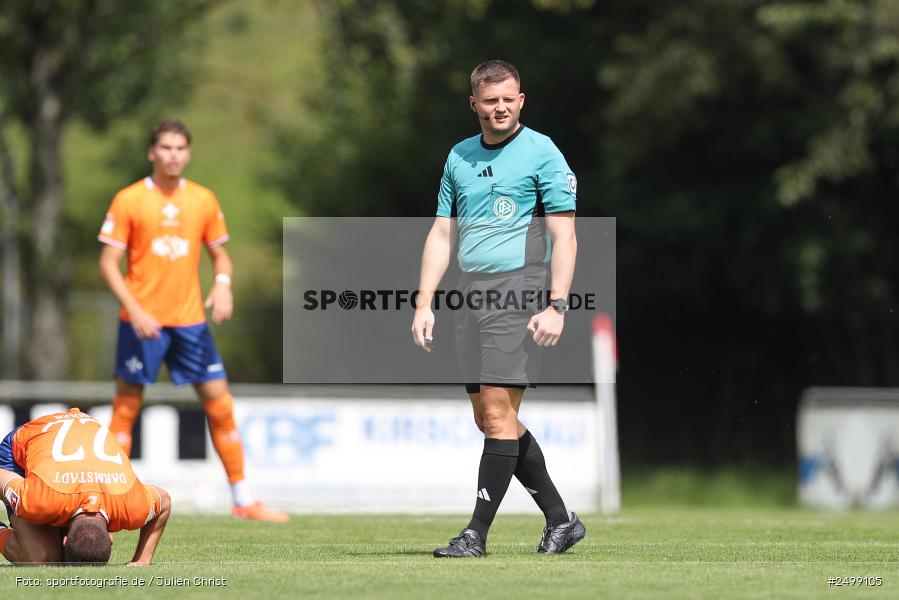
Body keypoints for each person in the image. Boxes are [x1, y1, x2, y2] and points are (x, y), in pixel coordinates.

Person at [412, 60, 585, 557]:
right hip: (471, 292)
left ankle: (475, 535)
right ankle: (562, 521)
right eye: (490, 101)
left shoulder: (542, 152)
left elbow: (565, 235)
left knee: (496, 412)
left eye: (509, 99)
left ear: (521, 100)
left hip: (520, 289)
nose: (501, 108)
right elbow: (441, 233)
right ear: (475, 104)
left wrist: (556, 305)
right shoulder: (459, 156)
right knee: (490, 418)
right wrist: (424, 302)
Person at [97, 119, 287, 522]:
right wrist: (136, 309)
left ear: (188, 152)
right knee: (125, 410)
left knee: (220, 404)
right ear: (152, 152)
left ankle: (243, 500)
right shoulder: (129, 199)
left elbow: (220, 255)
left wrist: (223, 284)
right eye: (166, 147)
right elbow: (109, 263)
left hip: (190, 323)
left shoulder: (202, 199)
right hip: (142, 323)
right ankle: (108, 505)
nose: (173, 155)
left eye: (180, 148)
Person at [0, 408, 170, 565]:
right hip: (26, 441)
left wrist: (142, 560)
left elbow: (164, 502)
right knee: (40, 559)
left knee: (50, 551)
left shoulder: (132, 505)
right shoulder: (38, 500)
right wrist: (141, 560)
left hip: (79, 430)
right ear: (110, 539)